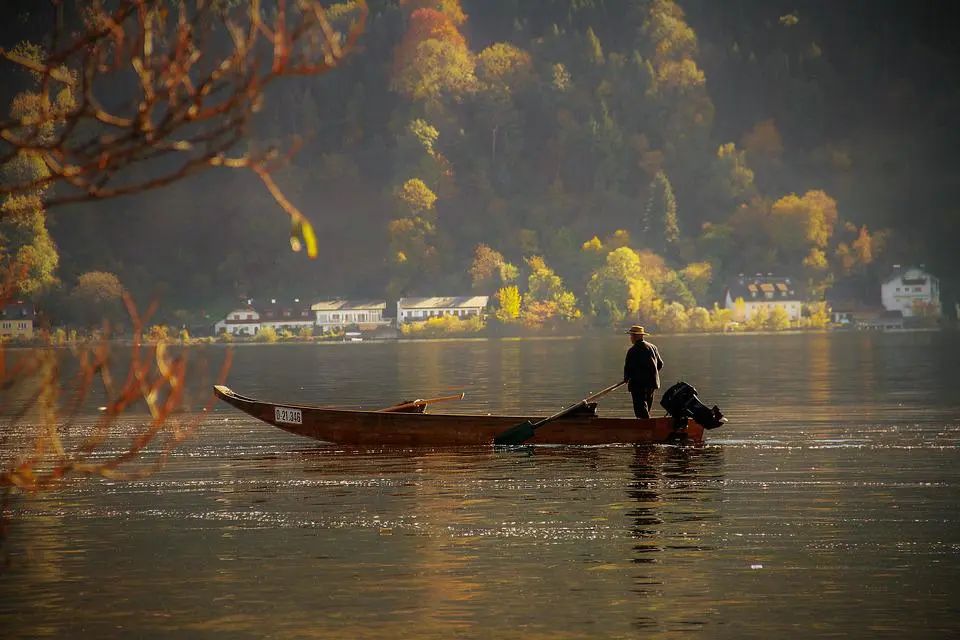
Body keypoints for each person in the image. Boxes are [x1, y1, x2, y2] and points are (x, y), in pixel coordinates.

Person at [623, 325, 663, 419]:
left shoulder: (633, 351)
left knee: (640, 409)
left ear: (635, 336)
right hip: (652, 383)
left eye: (631, 336)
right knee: (646, 408)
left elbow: (628, 369)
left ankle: (645, 428)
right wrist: (652, 373)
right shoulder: (653, 347)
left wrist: (626, 378)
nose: (631, 338)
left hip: (638, 385)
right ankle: (648, 427)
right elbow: (660, 364)